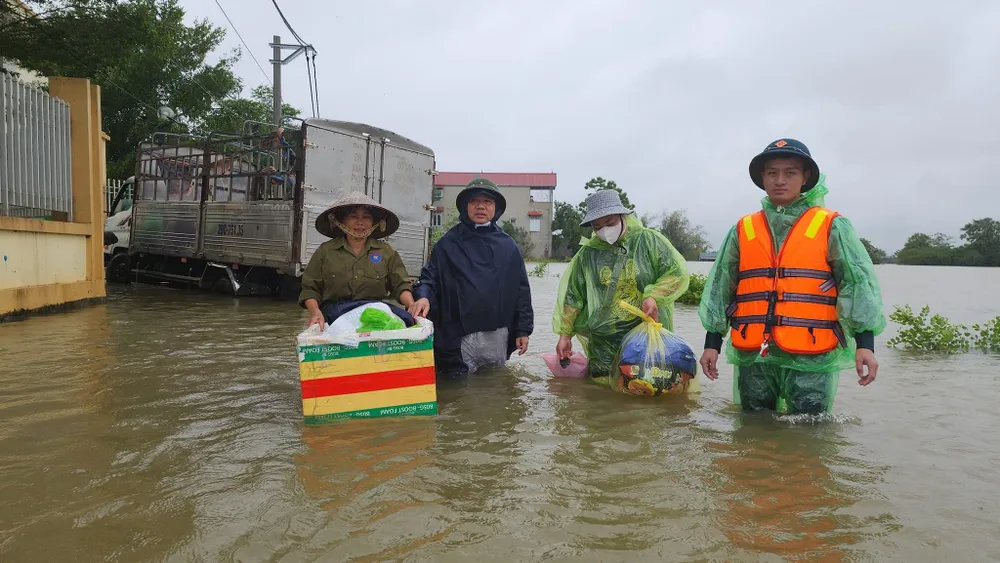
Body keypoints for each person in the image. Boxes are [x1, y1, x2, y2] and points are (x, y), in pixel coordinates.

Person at [698, 138, 886, 415]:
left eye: (790, 173)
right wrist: (711, 344)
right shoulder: (743, 228)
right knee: (753, 425)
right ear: (762, 177)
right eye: (772, 173)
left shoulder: (831, 225)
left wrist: (865, 345)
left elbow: (857, 286)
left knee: (810, 427)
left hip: (811, 351)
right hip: (755, 353)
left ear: (805, 177)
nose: (780, 181)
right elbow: (721, 288)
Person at [553, 189, 690, 380]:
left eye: (610, 223)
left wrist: (654, 295)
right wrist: (565, 335)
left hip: (646, 341)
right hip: (603, 344)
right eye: (597, 226)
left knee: (649, 385)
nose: (604, 230)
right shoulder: (588, 255)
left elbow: (677, 274)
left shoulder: (649, 241)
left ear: (623, 217)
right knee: (601, 392)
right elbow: (573, 296)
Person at [408, 178, 533, 376]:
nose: (480, 207)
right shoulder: (448, 243)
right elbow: (429, 278)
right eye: (474, 201)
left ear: (496, 208)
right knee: (458, 384)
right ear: (465, 206)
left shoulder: (508, 246)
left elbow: (521, 291)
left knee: (494, 383)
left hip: (496, 332)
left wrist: (523, 330)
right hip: (457, 333)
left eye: (487, 202)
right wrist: (423, 296)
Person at [298, 192, 416, 330]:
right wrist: (315, 312)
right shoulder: (325, 251)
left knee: (407, 320)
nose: (360, 222)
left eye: (366, 217)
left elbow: (400, 285)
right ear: (341, 221)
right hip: (336, 312)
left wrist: (411, 305)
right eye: (353, 216)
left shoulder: (386, 252)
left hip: (374, 310)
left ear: (374, 222)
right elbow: (310, 289)